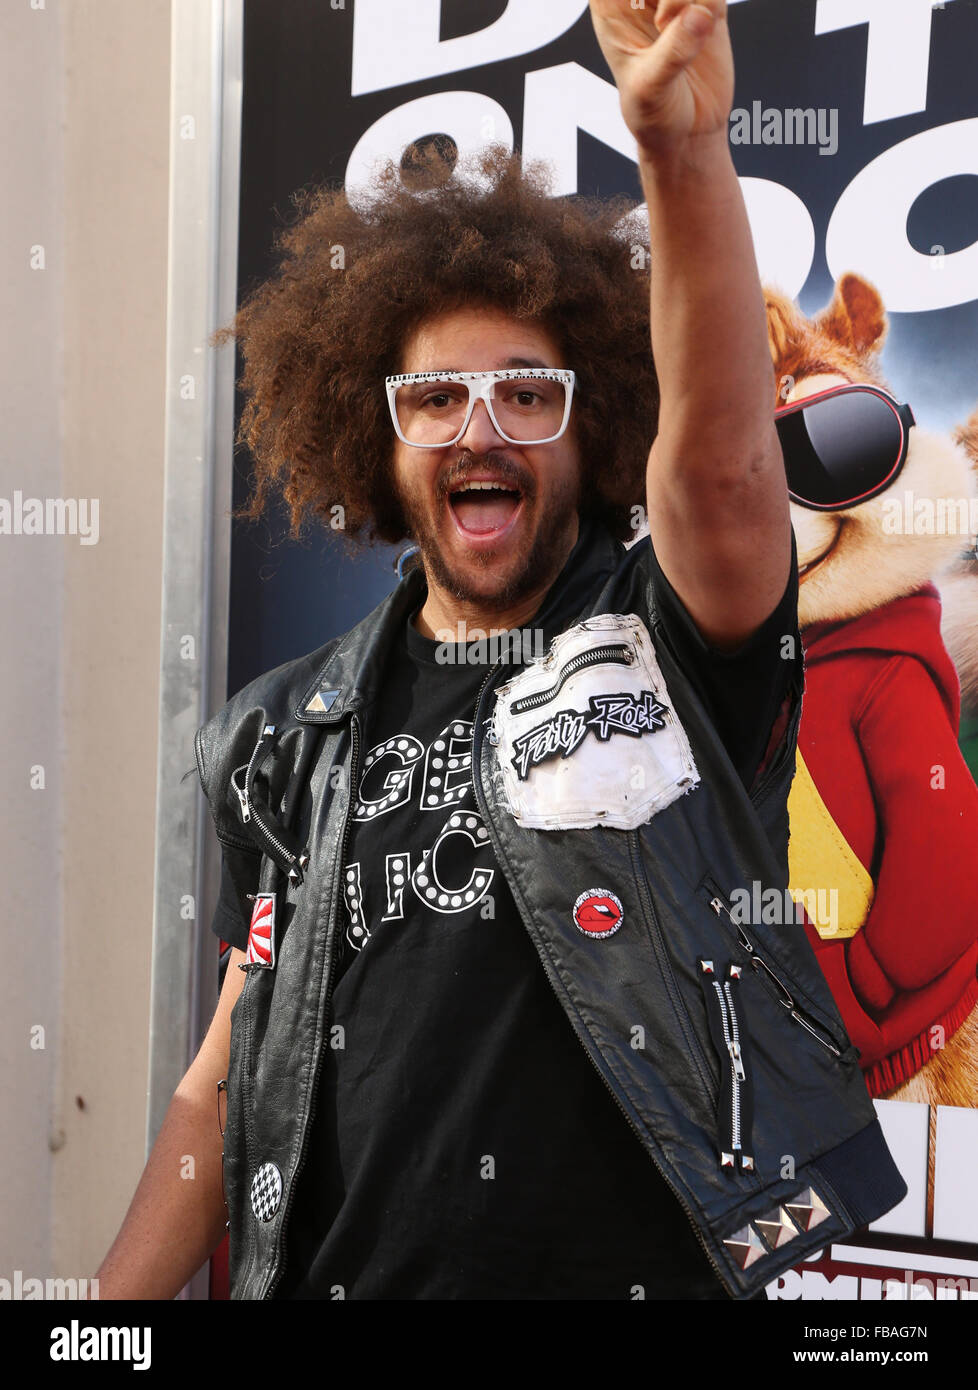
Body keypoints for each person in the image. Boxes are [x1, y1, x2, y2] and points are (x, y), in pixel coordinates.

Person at [96, 0, 904, 1301]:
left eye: (529, 393)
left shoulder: (666, 653)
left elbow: (722, 478)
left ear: (593, 438)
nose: (481, 429)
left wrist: (680, 155)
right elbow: (228, 1072)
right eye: (434, 398)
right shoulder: (278, 733)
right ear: (380, 444)